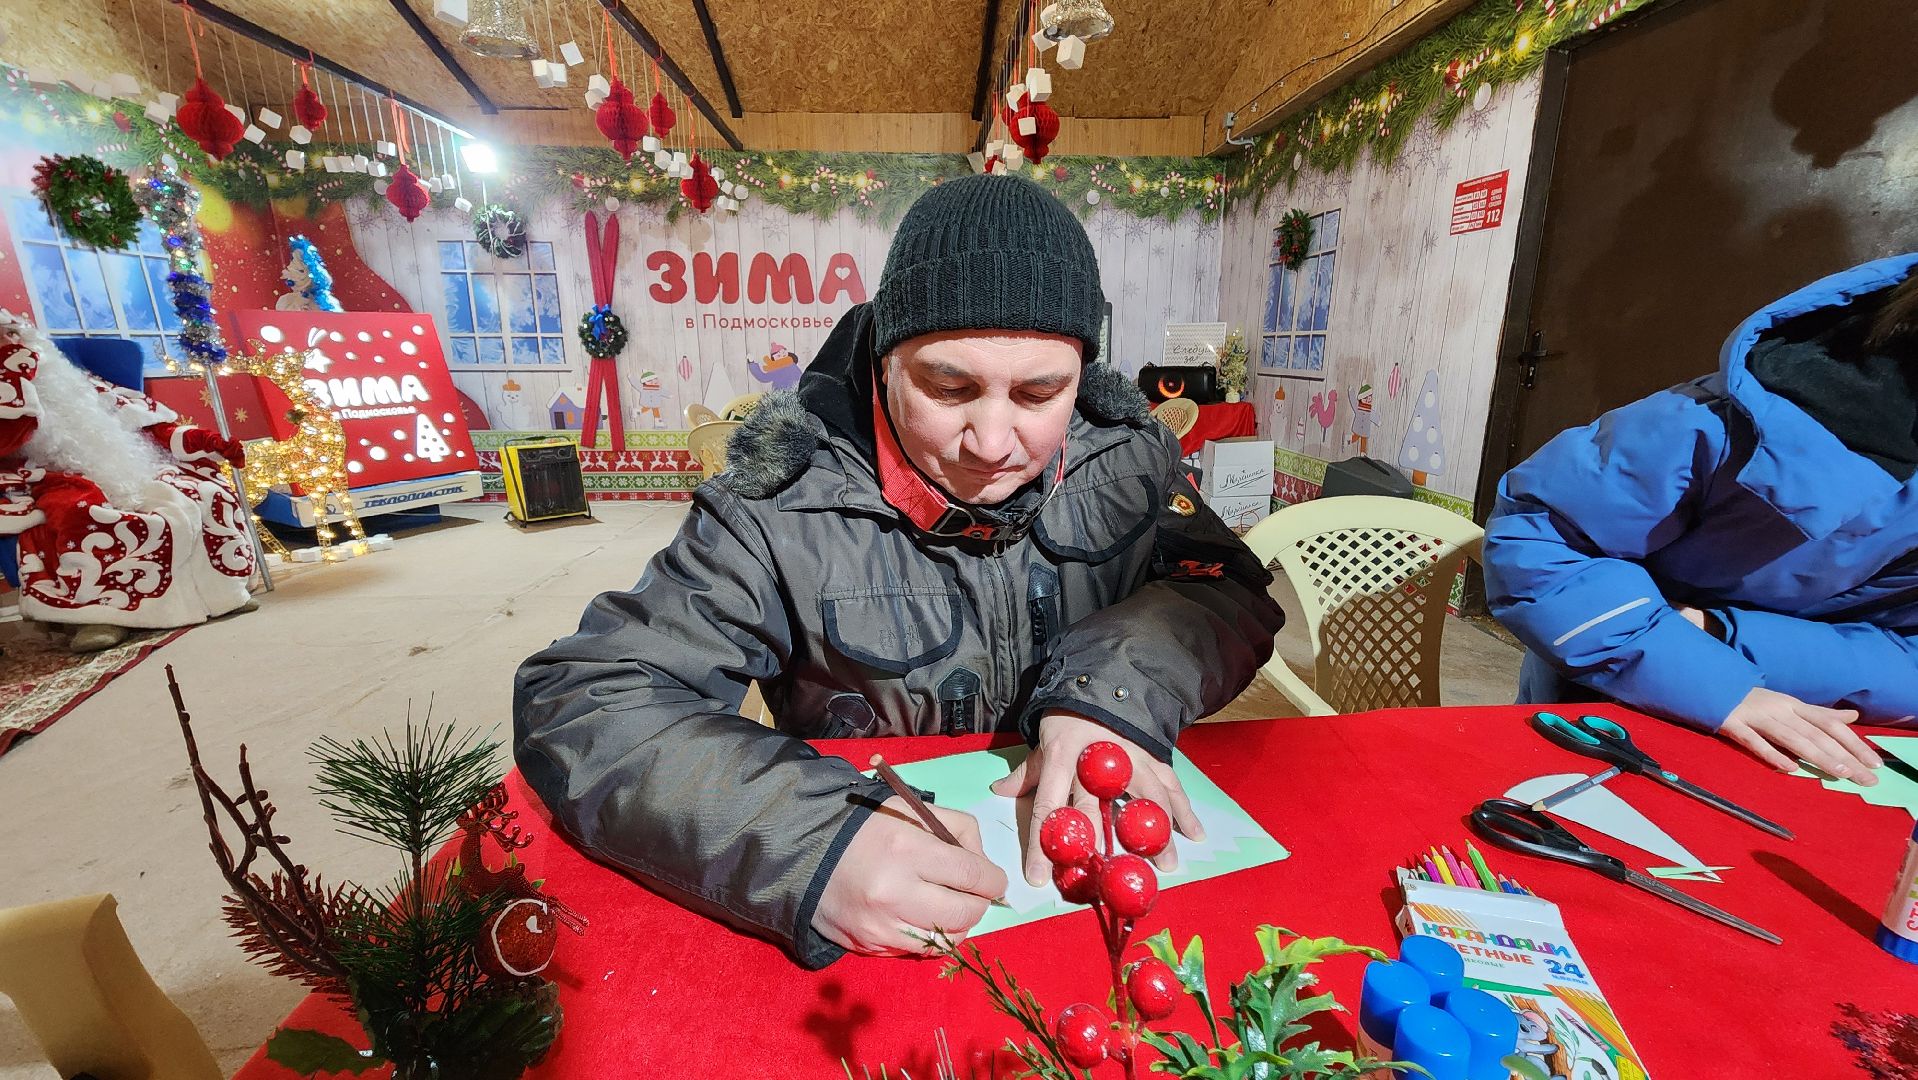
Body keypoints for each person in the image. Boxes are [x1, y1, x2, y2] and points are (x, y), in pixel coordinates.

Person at [514, 175, 1285, 967]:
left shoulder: (1129, 453)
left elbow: (1222, 583)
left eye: (1039, 392)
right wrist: (811, 838)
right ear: (884, 360)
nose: (992, 441)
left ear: (1083, 374)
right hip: (885, 937)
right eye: (949, 387)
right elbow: (585, 701)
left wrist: (1112, 693)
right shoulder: (774, 505)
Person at [1484, 254, 1918, 784]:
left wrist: (1722, 633)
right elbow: (1537, 536)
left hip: (1810, 734)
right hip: (1619, 695)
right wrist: (1716, 683)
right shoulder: (1737, 420)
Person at [0, 311, 255, 651]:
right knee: (80, 512)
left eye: (13, 334)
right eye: (3, 339)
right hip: (43, 475)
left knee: (204, 492)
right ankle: (101, 617)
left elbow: (145, 419)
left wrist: (204, 440)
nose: (10, 342)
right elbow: (10, 438)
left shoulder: (73, 381)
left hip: (130, 467)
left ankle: (219, 594)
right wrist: (15, 377)